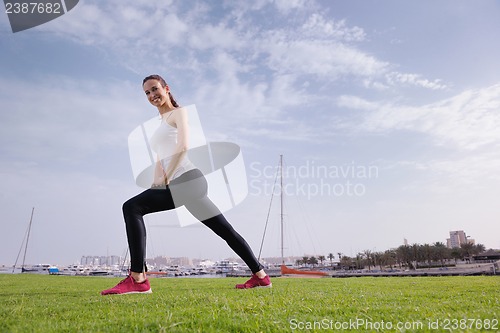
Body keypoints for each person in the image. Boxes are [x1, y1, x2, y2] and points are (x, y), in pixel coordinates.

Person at [101, 74, 271, 295]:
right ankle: (261, 276)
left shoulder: (178, 113)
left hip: (189, 180)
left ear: (166, 88)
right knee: (225, 230)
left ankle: (138, 279)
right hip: (184, 184)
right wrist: (157, 181)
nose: (152, 95)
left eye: (155, 89)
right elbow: (160, 159)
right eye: (147, 93)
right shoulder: (159, 125)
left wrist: (167, 177)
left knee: (132, 207)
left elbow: (183, 145)